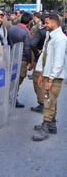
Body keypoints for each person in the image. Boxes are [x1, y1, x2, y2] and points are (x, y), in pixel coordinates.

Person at [32, 13, 67, 142]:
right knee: (51, 99)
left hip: (55, 77)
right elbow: (44, 55)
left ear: (54, 22)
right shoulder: (50, 35)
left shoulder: (61, 39)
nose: (44, 25)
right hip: (47, 74)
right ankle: (52, 125)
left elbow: (58, 62)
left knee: (48, 100)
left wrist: (51, 78)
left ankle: (46, 126)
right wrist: (41, 73)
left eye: (47, 23)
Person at [8, 12, 33, 108]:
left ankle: (11, 96)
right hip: (22, 59)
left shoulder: (12, 28)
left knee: (12, 77)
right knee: (19, 78)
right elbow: (27, 48)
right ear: (29, 21)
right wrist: (29, 61)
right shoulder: (26, 32)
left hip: (11, 56)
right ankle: (13, 97)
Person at [29, 14, 48, 113]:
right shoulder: (56, 31)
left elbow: (32, 44)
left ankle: (42, 104)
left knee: (38, 82)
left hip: (40, 61)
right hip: (50, 62)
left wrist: (37, 53)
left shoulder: (41, 32)